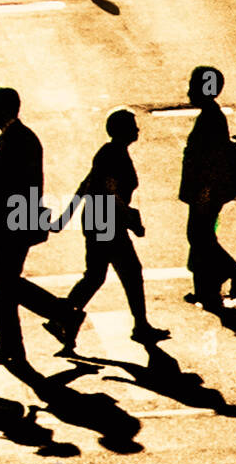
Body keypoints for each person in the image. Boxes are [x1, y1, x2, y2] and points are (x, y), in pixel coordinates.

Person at [51, 110, 170, 352]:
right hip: (107, 221)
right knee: (130, 272)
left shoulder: (108, 152)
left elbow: (86, 184)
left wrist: (66, 217)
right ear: (123, 130)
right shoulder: (115, 154)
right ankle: (140, 326)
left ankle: (61, 320)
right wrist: (131, 220)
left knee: (95, 276)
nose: (137, 130)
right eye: (133, 126)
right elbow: (110, 193)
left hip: (97, 219)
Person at [0, 86, 81, 369]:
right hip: (10, 223)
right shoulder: (13, 138)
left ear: (4, 109)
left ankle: (62, 313)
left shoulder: (18, 140)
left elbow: (16, 188)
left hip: (14, 225)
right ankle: (10, 347)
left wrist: (0, 223)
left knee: (7, 284)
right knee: (4, 287)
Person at [180, 66, 236, 311]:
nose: (188, 90)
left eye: (193, 85)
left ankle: (234, 272)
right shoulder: (211, 115)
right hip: (204, 190)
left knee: (200, 237)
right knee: (200, 236)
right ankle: (205, 289)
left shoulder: (211, 119)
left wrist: (204, 192)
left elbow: (211, 160)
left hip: (206, 191)